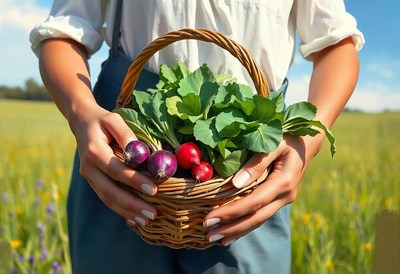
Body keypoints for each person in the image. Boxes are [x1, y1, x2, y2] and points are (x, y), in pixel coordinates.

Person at [30, 1, 364, 273]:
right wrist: (82, 112)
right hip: (125, 149)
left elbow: (337, 44)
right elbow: (63, 30)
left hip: (249, 158)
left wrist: (305, 142)